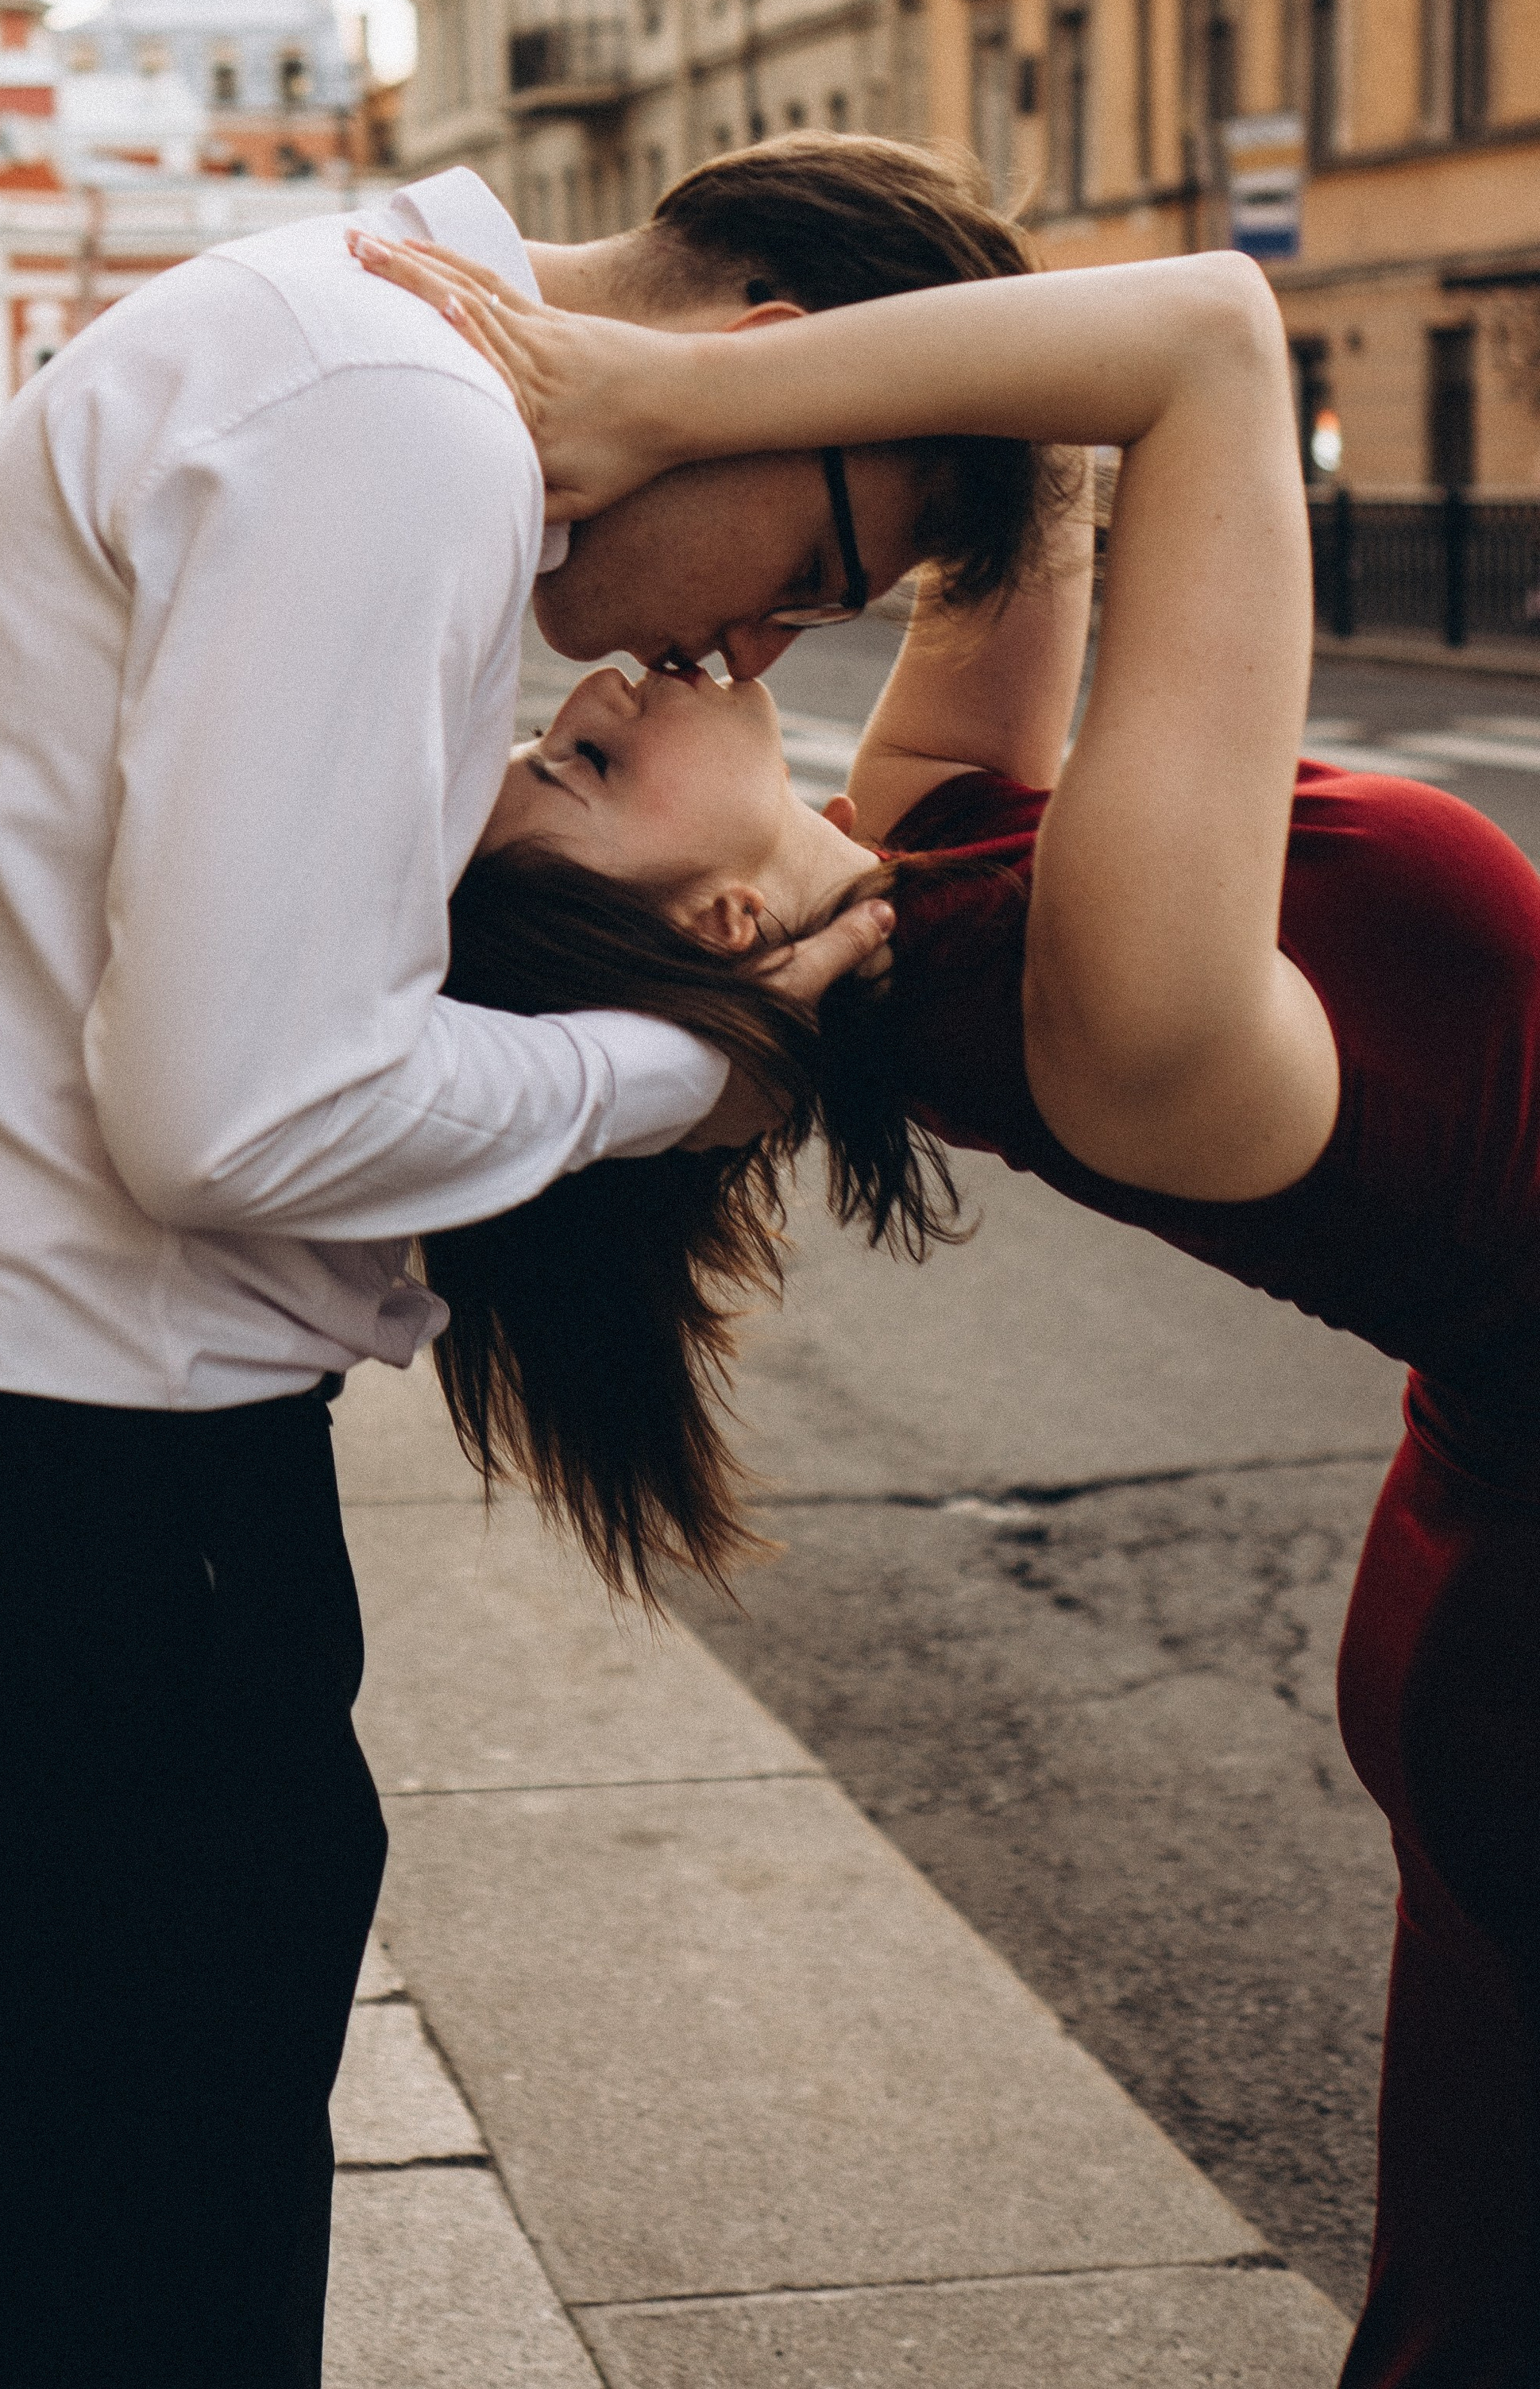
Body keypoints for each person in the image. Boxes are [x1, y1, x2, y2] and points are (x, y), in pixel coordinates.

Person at [0, 142, 1040, 2389]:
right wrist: (684, 1074)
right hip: (68, 1537)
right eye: (817, 576)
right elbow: (238, 1113)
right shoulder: (398, 418)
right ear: (755, 366)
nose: (744, 648)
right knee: (150, 2327)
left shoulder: (331, 340)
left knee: (82, 2303)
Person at [353, 157, 1540, 2387]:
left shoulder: (923, 861)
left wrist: (795, 450)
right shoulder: (1109, 1017)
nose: (607, 682)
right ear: (717, 928)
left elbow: (1051, 468)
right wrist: (649, 395)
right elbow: (1205, 347)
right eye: (584, 760)